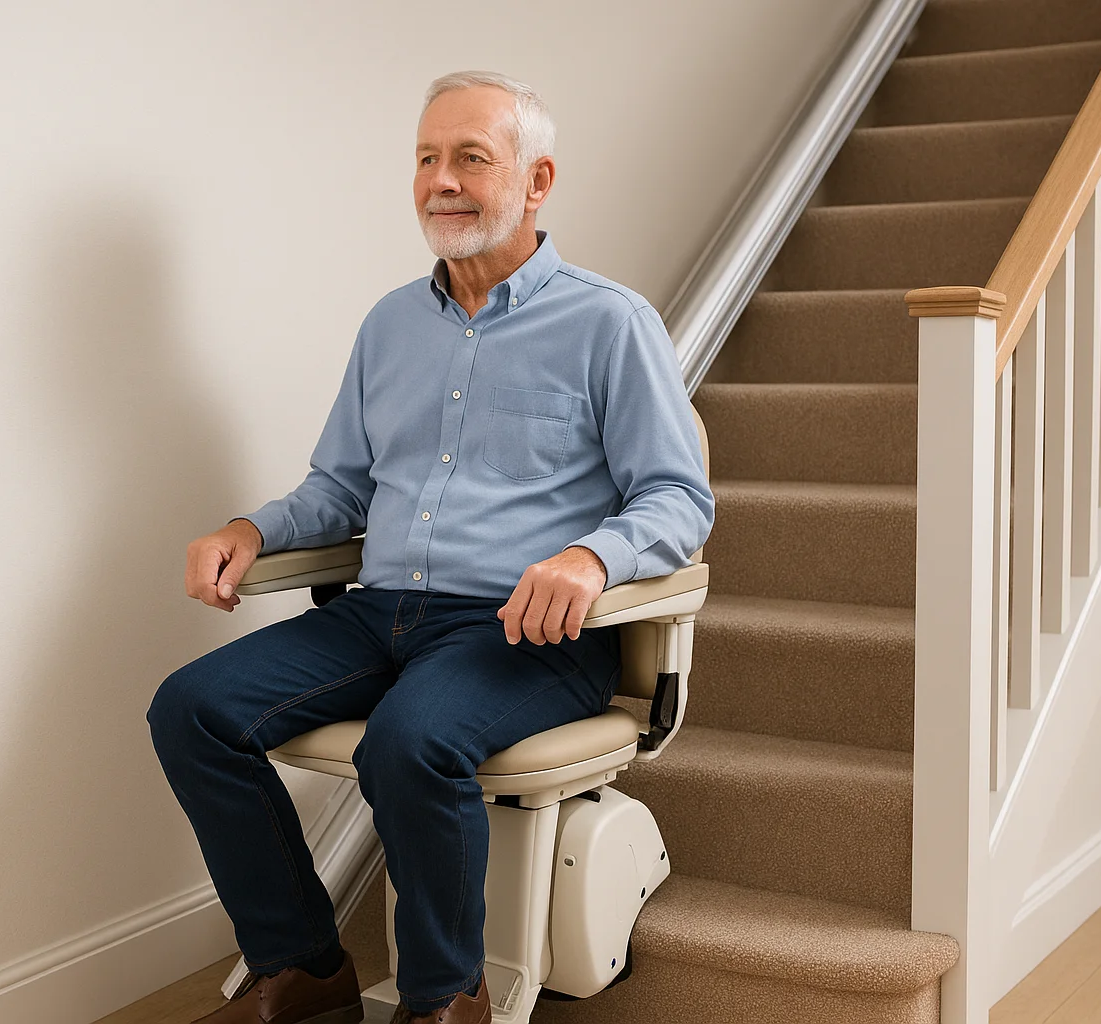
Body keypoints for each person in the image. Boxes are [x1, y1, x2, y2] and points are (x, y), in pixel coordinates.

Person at [148, 68, 714, 1024]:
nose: (441, 180)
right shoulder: (389, 325)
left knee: (412, 741)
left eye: (471, 159)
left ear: (536, 183)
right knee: (191, 708)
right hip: (379, 614)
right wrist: (250, 530)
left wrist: (592, 559)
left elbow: (677, 497)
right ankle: (305, 967)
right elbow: (341, 488)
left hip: (528, 632)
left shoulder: (610, 322)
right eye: (426, 158)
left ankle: (446, 998)